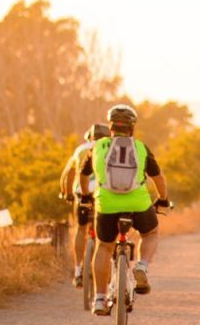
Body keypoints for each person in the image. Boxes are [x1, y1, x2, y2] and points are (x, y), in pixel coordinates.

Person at [79, 104, 172, 316]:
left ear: (110, 126)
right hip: (138, 204)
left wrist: (85, 196)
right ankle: (142, 265)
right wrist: (163, 200)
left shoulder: (97, 146)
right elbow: (158, 178)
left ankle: (100, 299)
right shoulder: (140, 148)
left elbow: (83, 176)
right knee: (151, 233)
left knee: (104, 246)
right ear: (132, 127)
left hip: (107, 204)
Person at [59, 123, 109, 289]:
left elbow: (68, 173)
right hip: (103, 193)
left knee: (81, 228)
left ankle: (78, 269)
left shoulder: (81, 149)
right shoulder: (110, 147)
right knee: (106, 235)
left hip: (82, 192)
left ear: (90, 137)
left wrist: (65, 193)